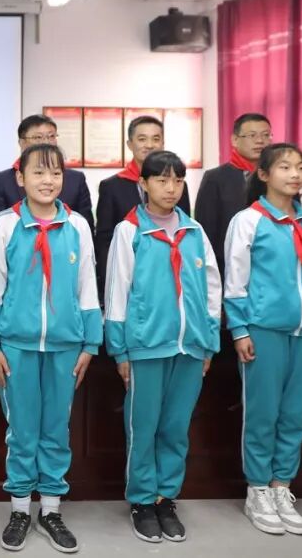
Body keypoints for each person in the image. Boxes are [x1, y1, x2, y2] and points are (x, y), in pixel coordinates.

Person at [0, 143, 101, 554]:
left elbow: (88, 286)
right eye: (38, 172)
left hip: (66, 346)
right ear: (20, 178)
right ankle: (19, 509)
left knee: (56, 429)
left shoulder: (78, 226)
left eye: (55, 173)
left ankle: (50, 509)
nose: (48, 181)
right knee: (22, 430)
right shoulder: (5, 225)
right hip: (16, 346)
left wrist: (91, 342)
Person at [104, 151, 221, 543]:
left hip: (190, 346)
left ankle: (165, 497)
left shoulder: (195, 231)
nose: (171, 188)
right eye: (162, 180)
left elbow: (212, 290)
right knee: (143, 427)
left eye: (178, 180)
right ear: (144, 184)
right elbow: (117, 292)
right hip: (145, 346)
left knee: (176, 427)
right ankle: (141, 500)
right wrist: (120, 350)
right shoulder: (129, 231)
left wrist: (208, 342)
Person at [226, 143, 302, 537]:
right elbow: (235, 282)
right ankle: (257, 489)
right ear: (264, 174)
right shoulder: (248, 221)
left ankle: (281, 486)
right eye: (284, 167)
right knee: (263, 413)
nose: (294, 174)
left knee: (296, 414)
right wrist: (240, 329)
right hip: (265, 331)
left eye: (300, 167)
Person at [95, 116, 191, 303]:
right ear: (130, 144)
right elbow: (104, 241)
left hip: (170, 275)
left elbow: (184, 230)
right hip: (130, 274)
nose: (149, 145)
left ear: (163, 143)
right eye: (142, 139)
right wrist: (109, 283)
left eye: (156, 139)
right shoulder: (111, 186)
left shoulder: (177, 185)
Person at [0, 115, 93, 234]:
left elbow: (86, 229)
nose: (46, 142)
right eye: (38, 137)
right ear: (21, 142)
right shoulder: (3, 180)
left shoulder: (76, 179)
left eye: (51, 136)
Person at [195, 113, 272, 277]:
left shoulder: (278, 177)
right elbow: (207, 230)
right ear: (235, 140)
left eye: (266, 135)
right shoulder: (215, 178)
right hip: (228, 267)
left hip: (271, 266)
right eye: (252, 135)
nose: (260, 141)